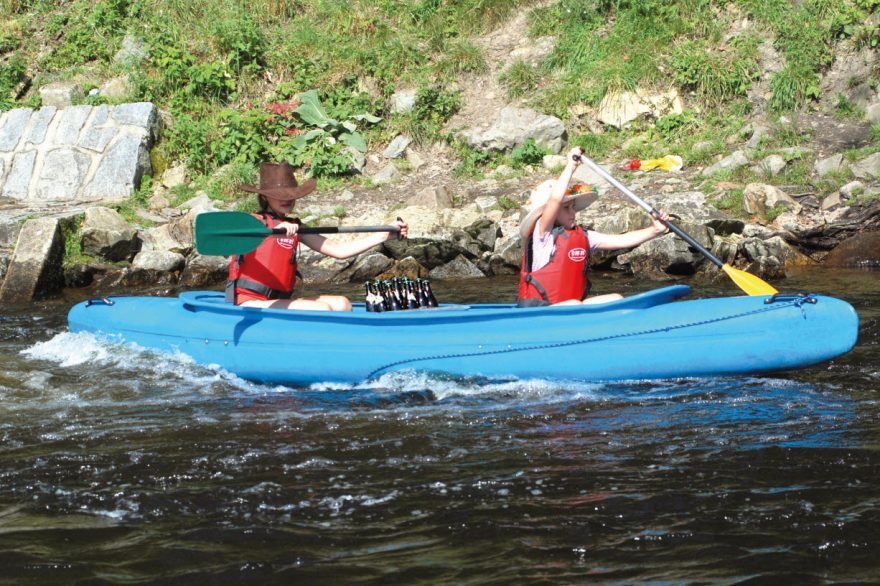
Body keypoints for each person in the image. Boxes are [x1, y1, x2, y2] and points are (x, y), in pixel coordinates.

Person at [227, 162, 408, 311]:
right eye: (279, 195)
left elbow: (339, 251)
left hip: (279, 300)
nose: (286, 199)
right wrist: (273, 232)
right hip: (250, 302)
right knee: (322, 309)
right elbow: (237, 237)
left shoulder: (295, 226)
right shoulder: (253, 222)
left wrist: (382, 236)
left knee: (343, 304)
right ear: (265, 197)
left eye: (290, 195)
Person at [517, 146, 670, 307]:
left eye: (573, 207)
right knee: (574, 304)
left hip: (570, 308)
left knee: (615, 298)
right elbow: (555, 200)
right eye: (566, 208)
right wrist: (571, 166)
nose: (573, 212)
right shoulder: (543, 234)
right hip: (540, 311)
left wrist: (655, 230)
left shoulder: (582, 236)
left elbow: (621, 240)